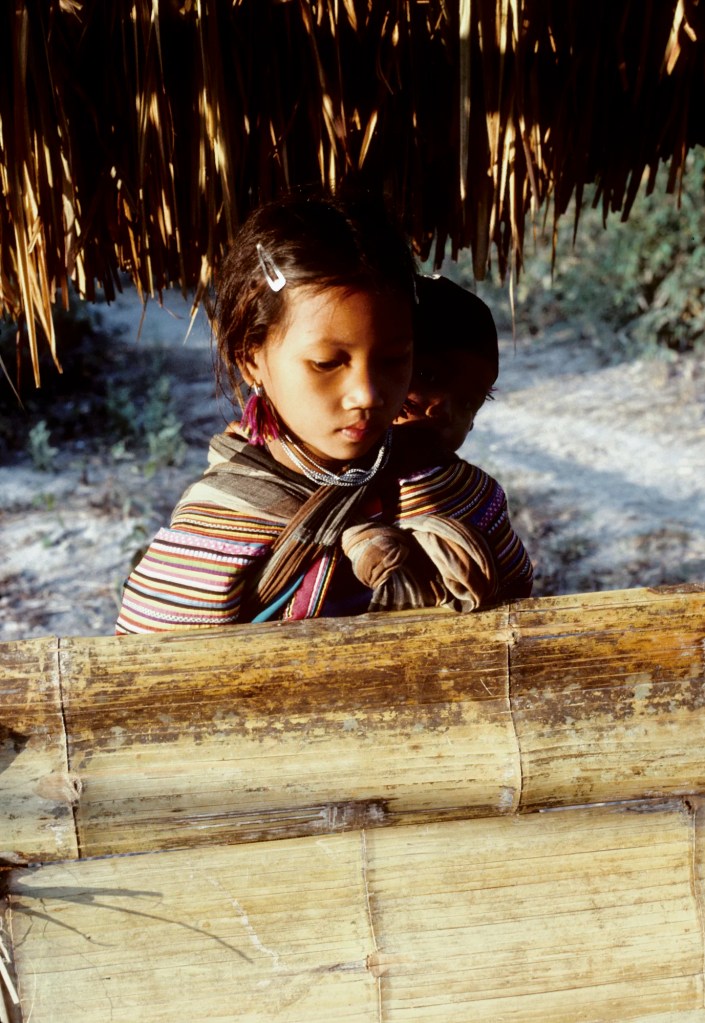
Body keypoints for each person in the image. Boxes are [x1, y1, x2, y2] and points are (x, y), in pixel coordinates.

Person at [116, 193, 531, 634]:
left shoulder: (458, 493)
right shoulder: (220, 524)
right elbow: (154, 679)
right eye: (327, 363)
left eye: (394, 361)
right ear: (250, 359)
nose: (367, 394)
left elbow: (517, 623)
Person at [397, 273, 498, 452]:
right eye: (428, 377)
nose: (444, 412)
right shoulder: (335, 468)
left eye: (467, 403)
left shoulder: (468, 480)